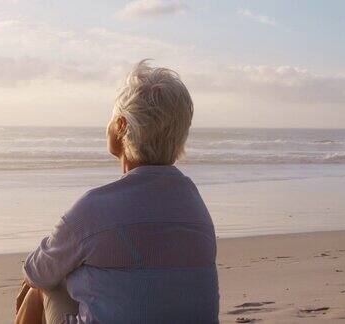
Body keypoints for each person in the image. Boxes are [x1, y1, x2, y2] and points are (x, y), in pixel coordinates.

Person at [15, 60, 219, 324]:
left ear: (121, 126)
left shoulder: (95, 208)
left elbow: (36, 271)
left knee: (41, 287)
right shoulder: (194, 204)